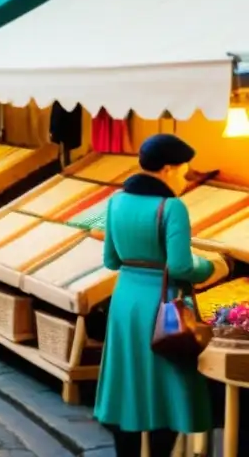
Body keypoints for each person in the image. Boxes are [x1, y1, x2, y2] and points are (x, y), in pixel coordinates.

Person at [94, 133, 224, 456]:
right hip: (163, 307)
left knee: (129, 385)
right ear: (167, 169)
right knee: (166, 391)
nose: (184, 179)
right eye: (183, 171)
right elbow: (180, 266)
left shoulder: (116, 201)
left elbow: (111, 260)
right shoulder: (172, 207)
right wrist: (211, 266)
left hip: (125, 304)